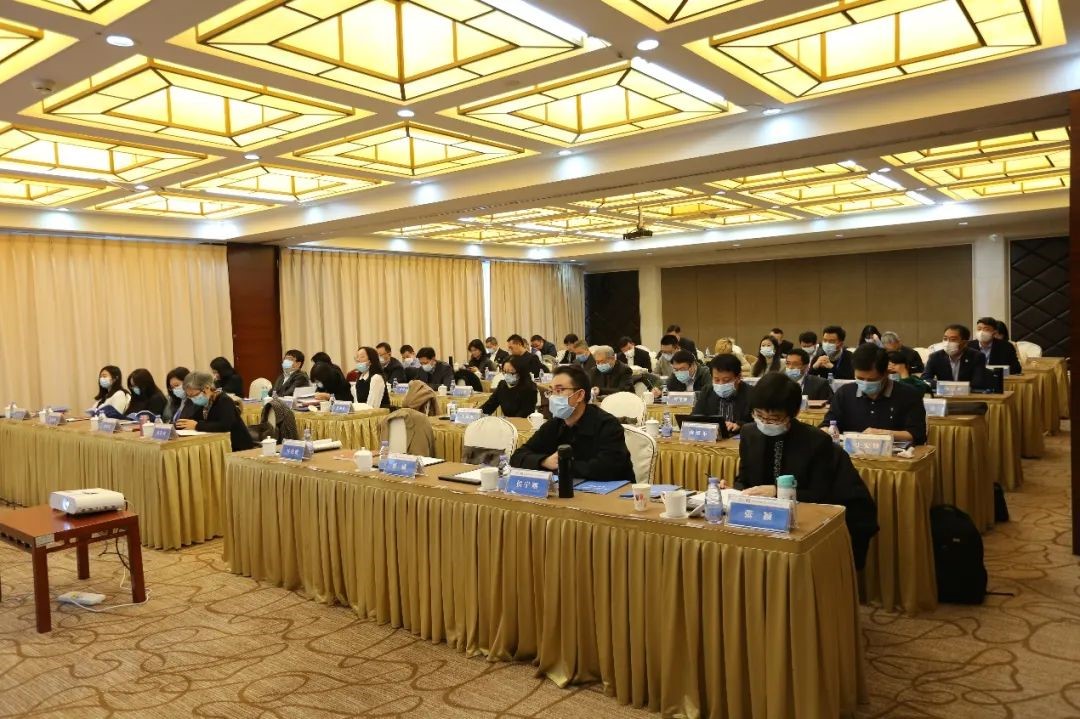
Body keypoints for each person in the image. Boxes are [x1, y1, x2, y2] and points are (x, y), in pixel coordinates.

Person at [733, 372, 878, 570]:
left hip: (811, 517)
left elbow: (821, 494)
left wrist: (776, 491)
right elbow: (744, 478)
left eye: (774, 418)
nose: (765, 423)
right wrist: (734, 491)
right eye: (759, 415)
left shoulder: (816, 441)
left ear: (793, 414)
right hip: (766, 517)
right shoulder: (749, 433)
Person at [510, 365, 633, 482]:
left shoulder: (608, 425)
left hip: (610, 492)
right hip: (568, 488)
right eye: (551, 391)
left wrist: (563, 465)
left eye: (559, 390)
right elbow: (517, 456)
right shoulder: (554, 424)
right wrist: (544, 461)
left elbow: (608, 468)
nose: (553, 397)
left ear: (579, 395)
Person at [823, 344, 927, 444]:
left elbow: (918, 434)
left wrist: (884, 434)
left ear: (886, 373)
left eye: (872, 380)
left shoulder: (909, 395)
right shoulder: (844, 393)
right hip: (850, 453)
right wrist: (826, 431)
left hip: (895, 454)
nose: (865, 383)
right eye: (860, 378)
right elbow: (828, 424)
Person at [176, 371, 255, 451]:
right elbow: (193, 419)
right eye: (189, 396)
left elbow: (224, 426)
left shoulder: (224, 400)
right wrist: (179, 425)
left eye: (194, 395)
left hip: (237, 446)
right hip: (219, 444)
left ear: (207, 388)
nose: (193, 399)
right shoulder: (204, 402)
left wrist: (197, 425)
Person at [691, 353, 752, 434]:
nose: (721, 384)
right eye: (716, 380)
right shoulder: (707, 391)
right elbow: (695, 417)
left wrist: (740, 426)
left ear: (738, 377)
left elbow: (759, 424)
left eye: (726, 380)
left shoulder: (752, 394)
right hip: (713, 438)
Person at [923, 324, 988, 388]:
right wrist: (945, 386)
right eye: (945, 339)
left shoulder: (977, 356)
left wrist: (955, 386)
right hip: (944, 392)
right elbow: (925, 379)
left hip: (968, 393)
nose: (947, 343)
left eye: (953, 339)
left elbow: (977, 383)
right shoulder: (935, 357)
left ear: (965, 343)